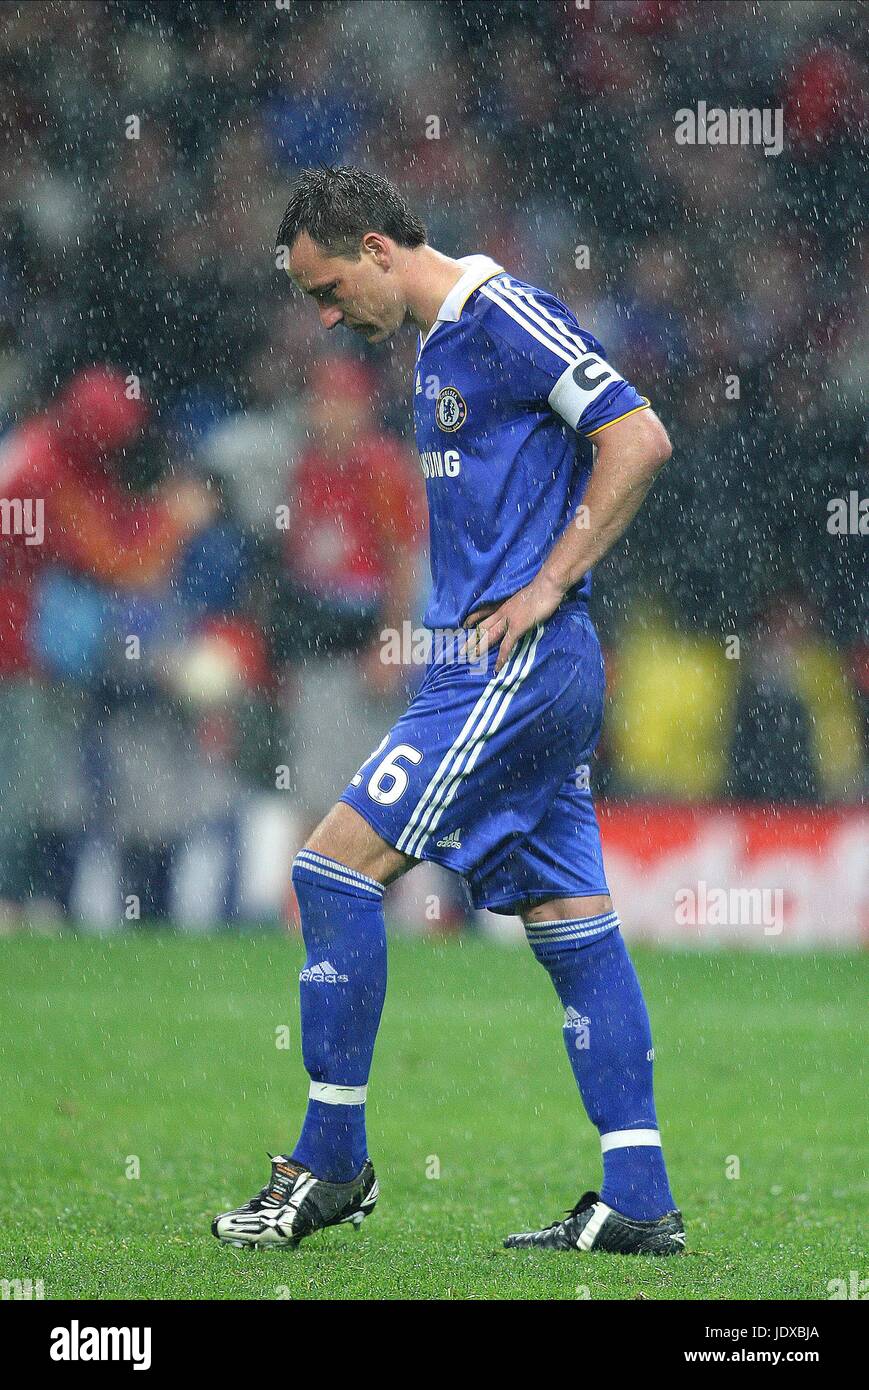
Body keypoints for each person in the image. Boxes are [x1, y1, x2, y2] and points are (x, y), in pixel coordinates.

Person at [213, 166, 683, 1256]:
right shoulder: (432, 346)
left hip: (516, 662)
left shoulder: (500, 313)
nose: (329, 317)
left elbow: (638, 435)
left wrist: (548, 582)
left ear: (377, 246)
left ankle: (330, 1164)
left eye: (329, 289)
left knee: (329, 870)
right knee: (571, 925)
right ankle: (637, 1196)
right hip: (501, 668)